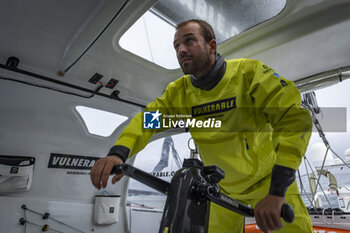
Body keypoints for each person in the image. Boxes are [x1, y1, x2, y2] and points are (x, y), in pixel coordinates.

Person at [90, 19, 313, 233]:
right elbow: (148, 121)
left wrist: (277, 192)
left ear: (212, 45)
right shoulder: (179, 92)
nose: (181, 50)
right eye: (176, 46)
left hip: (269, 182)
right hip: (221, 189)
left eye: (189, 41)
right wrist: (118, 153)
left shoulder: (249, 74)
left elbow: (293, 120)